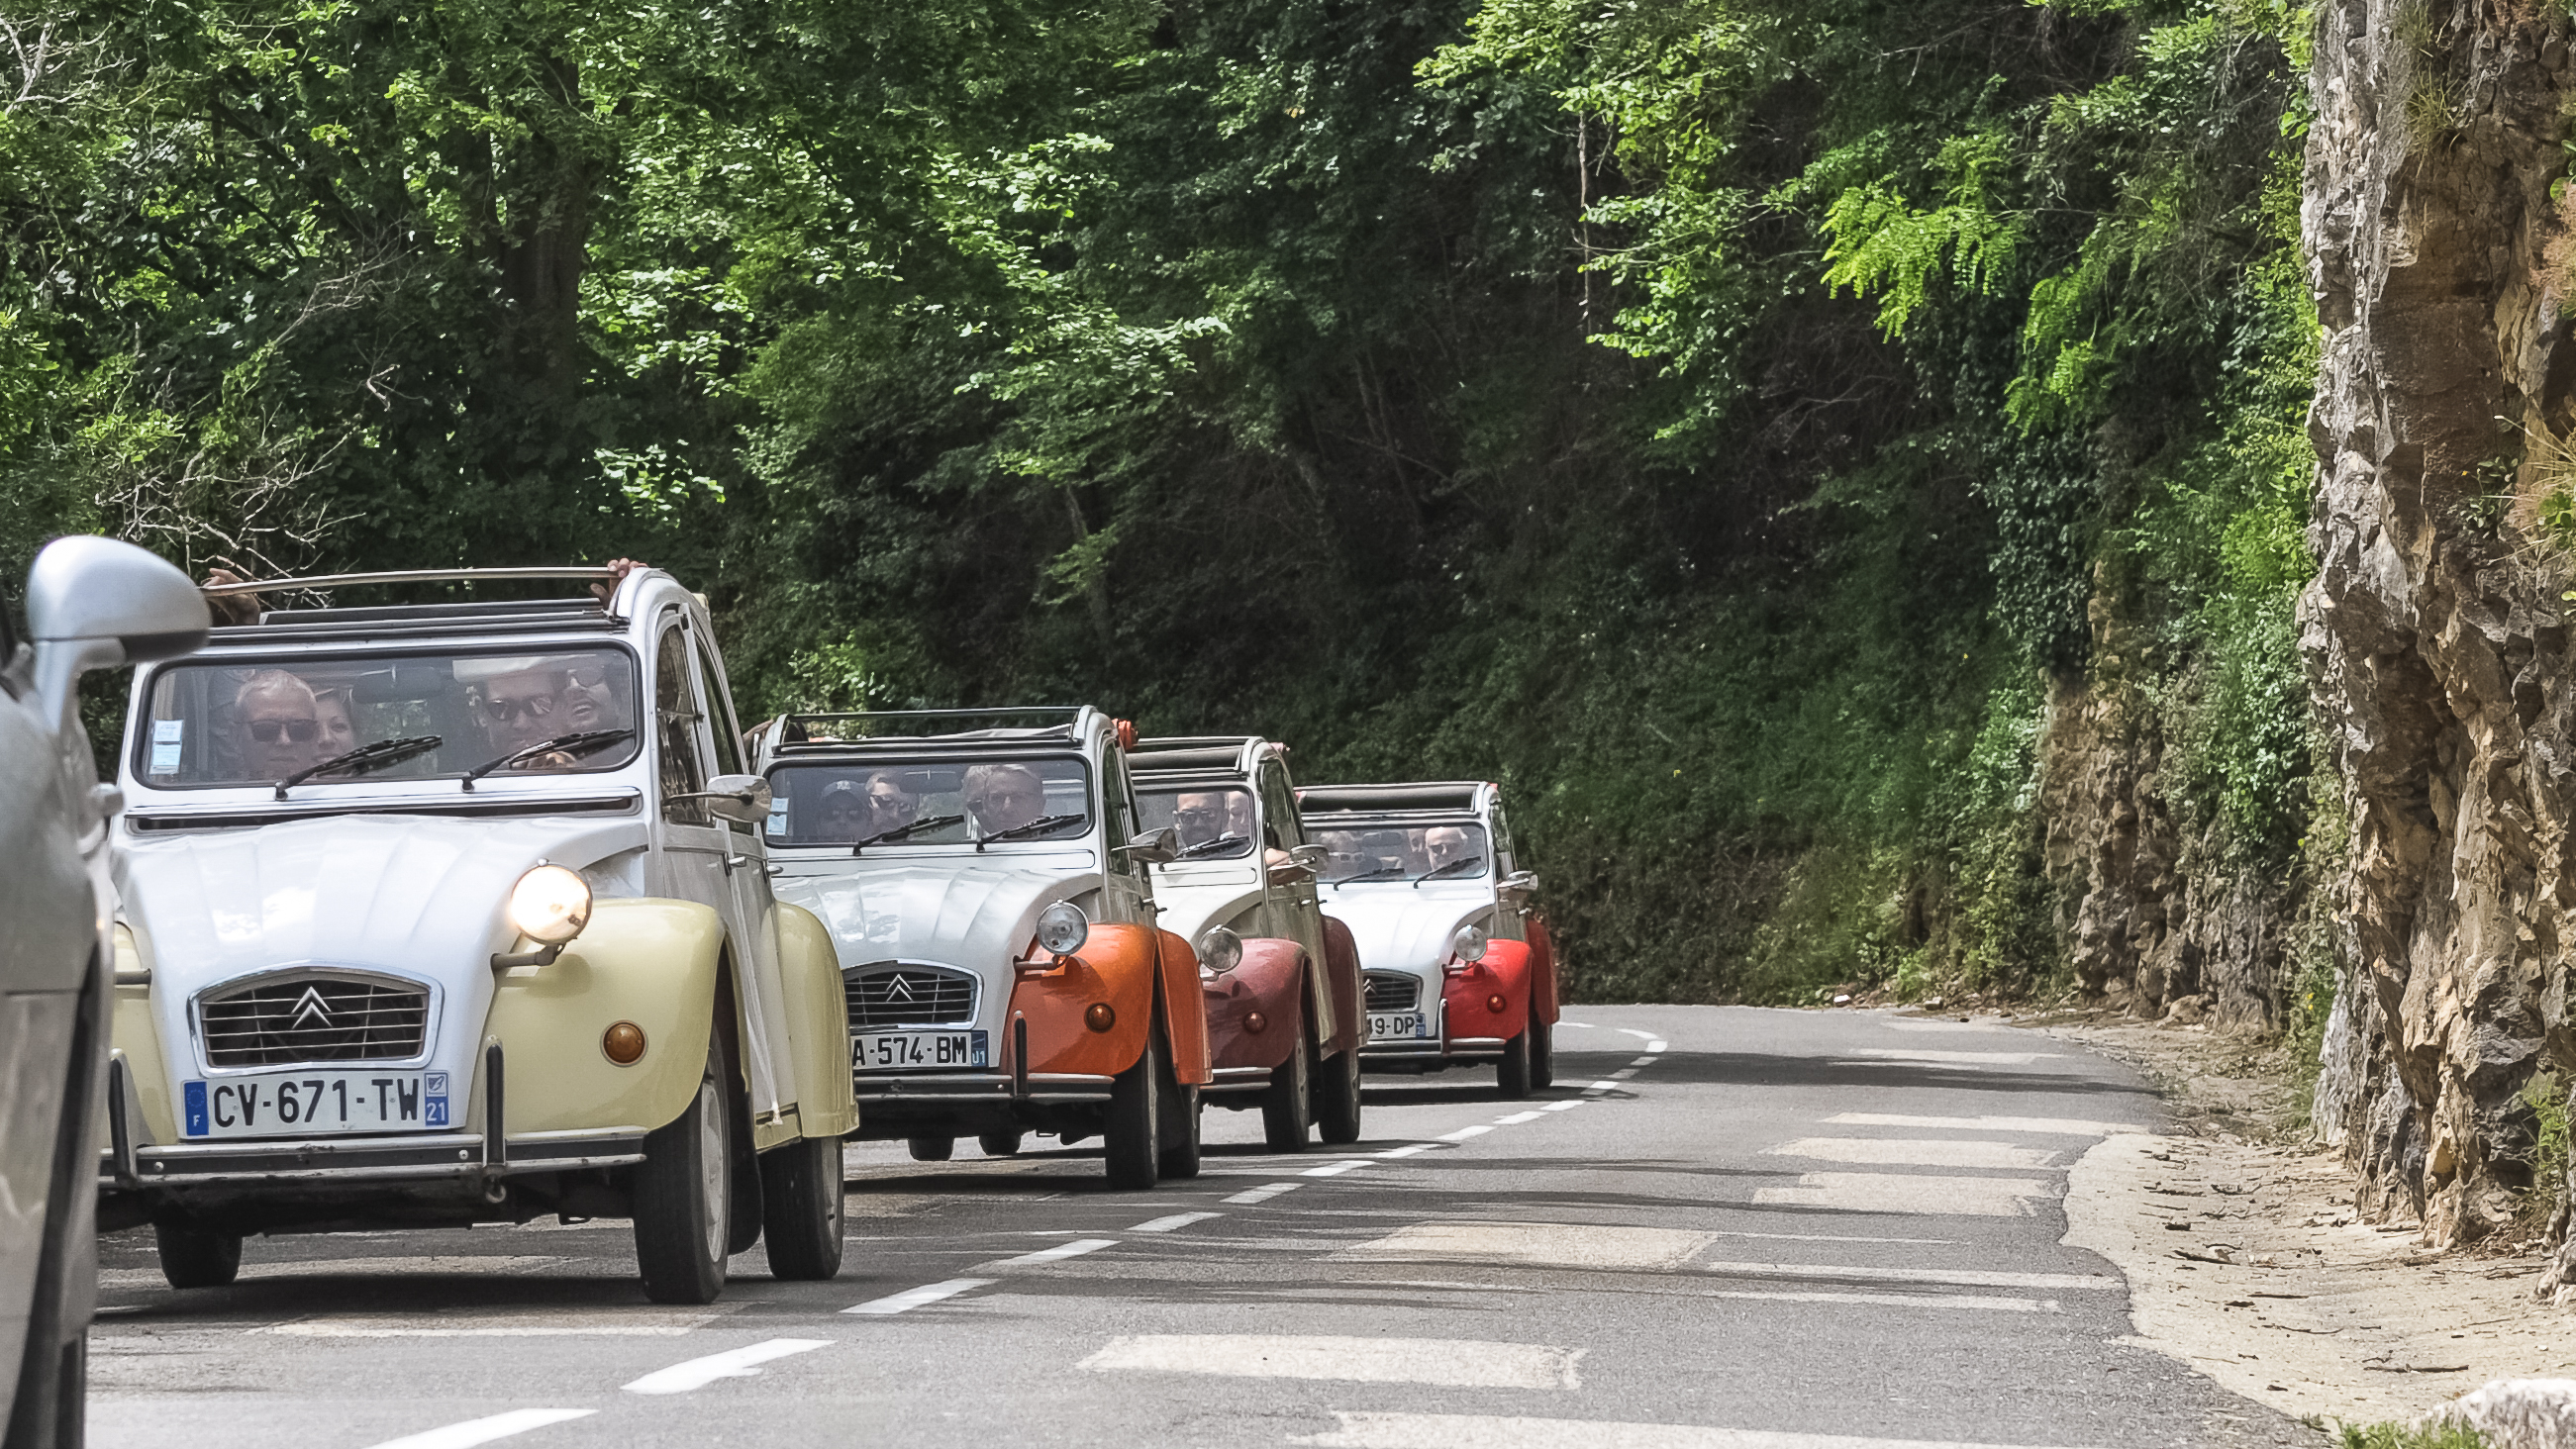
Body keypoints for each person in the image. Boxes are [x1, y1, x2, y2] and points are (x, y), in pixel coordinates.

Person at [233, 670, 322, 781]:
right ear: (236, 736)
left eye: (299, 729)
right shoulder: (213, 795)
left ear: (316, 736)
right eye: (266, 729)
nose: (285, 741)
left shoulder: (343, 793)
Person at [962, 763, 1045, 836]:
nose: (1007, 809)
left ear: (1040, 805)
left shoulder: (1056, 845)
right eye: (997, 798)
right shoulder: (964, 849)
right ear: (986, 805)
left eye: (1018, 798)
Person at [1172, 791, 1236, 851]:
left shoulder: (1241, 858)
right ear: (1177, 820)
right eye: (1189, 816)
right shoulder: (1169, 861)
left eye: (1209, 814)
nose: (1198, 824)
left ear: (1225, 818)